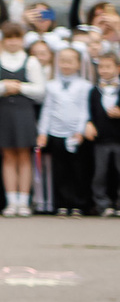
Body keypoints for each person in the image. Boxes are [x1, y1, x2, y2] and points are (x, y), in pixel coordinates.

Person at [0, 30, 47, 217]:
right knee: (8, 157)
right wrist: (4, 87)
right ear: (4, 41)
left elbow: (40, 91)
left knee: (24, 157)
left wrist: (19, 87)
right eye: (9, 38)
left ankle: (24, 202)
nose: (12, 42)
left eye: (16, 38)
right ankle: (11, 201)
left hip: (24, 113)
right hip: (4, 113)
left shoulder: (31, 61)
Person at [39, 45, 94, 216]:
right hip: (56, 132)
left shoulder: (84, 86)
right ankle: (61, 203)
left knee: (78, 169)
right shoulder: (52, 85)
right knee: (60, 169)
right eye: (62, 61)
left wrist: (79, 130)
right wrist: (42, 132)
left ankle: (78, 203)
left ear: (78, 64)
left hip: (75, 133)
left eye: (70, 61)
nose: (66, 65)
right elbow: (47, 110)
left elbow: (85, 109)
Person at [89, 51, 120, 215]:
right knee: (100, 174)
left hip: (118, 138)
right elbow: (89, 111)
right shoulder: (94, 91)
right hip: (101, 140)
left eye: (108, 67)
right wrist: (89, 123)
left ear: (118, 68)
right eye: (101, 67)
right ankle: (102, 204)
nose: (104, 70)